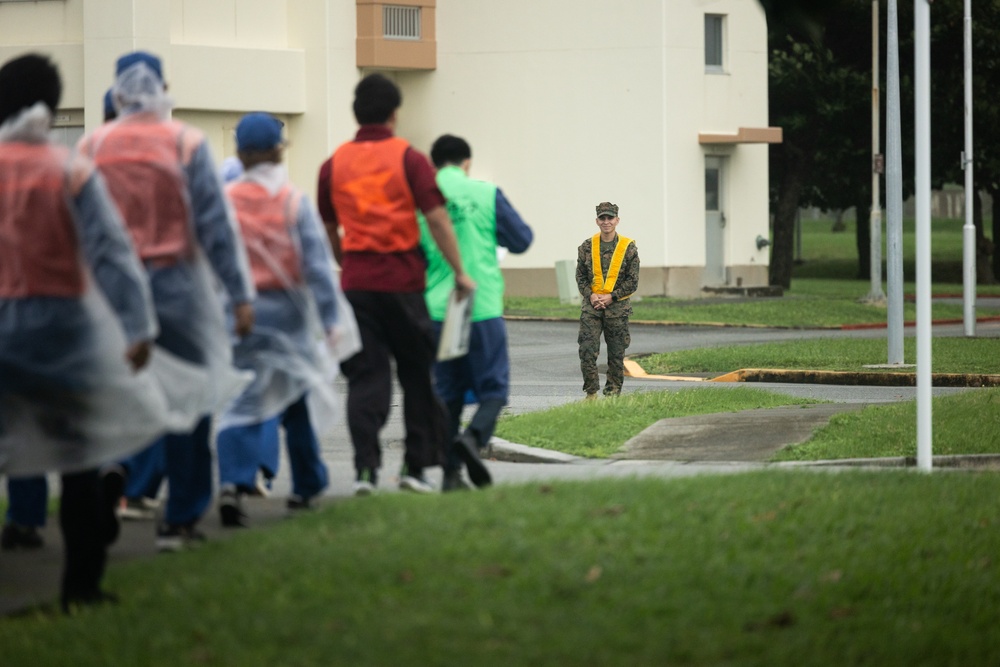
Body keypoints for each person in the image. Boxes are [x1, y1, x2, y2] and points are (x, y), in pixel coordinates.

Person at [0, 53, 165, 609]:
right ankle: (81, 585)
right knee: (78, 462)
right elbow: (112, 252)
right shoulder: (70, 169)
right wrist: (138, 326)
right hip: (63, 333)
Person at [78, 50, 256, 551]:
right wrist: (240, 295)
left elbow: (79, 226)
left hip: (112, 290)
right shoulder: (185, 143)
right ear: (162, 86)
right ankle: (179, 519)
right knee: (190, 399)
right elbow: (216, 227)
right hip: (178, 287)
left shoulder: (93, 145)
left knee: (119, 391)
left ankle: (117, 468)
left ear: (117, 92)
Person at [317, 73, 474, 494]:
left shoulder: (334, 164)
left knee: (366, 378)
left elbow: (329, 226)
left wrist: (345, 262)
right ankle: (414, 468)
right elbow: (437, 218)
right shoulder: (409, 158)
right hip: (402, 283)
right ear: (393, 113)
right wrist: (459, 270)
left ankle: (365, 471)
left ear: (356, 112)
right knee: (417, 376)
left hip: (357, 285)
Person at [215, 112, 343, 526]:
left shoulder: (226, 201)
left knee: (242, 398)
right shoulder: (292, 201)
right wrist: (329, 319)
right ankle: (306, 486)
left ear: (240, 154)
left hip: (241, 313)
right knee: (298, 400)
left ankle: (234, 481)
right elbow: (319, 268)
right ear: (277, 152)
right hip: (289, 317)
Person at [420, 135, 533, 491]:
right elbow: (521, 240)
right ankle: (473, 439)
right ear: (466, 162)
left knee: (449, 392)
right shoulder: (486, 193)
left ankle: (451, 476)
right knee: (494, 387)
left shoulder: (418, 198)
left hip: (440, 307)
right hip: (481, 305)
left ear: (434, 163)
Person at [576, 202, 640, 399]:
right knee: (587, 350)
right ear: (597, 221)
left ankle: (613, 393)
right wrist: (591, 295)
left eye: (610, 218)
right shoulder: (587, 246)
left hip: (617, 309)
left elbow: (633, 280)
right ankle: (591, 393)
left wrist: (612, 297)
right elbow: (581, 276)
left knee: (616, 354)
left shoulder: (628, 248)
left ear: (617, 220)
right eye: (602, 218)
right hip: (592, 308)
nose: (606, 222)